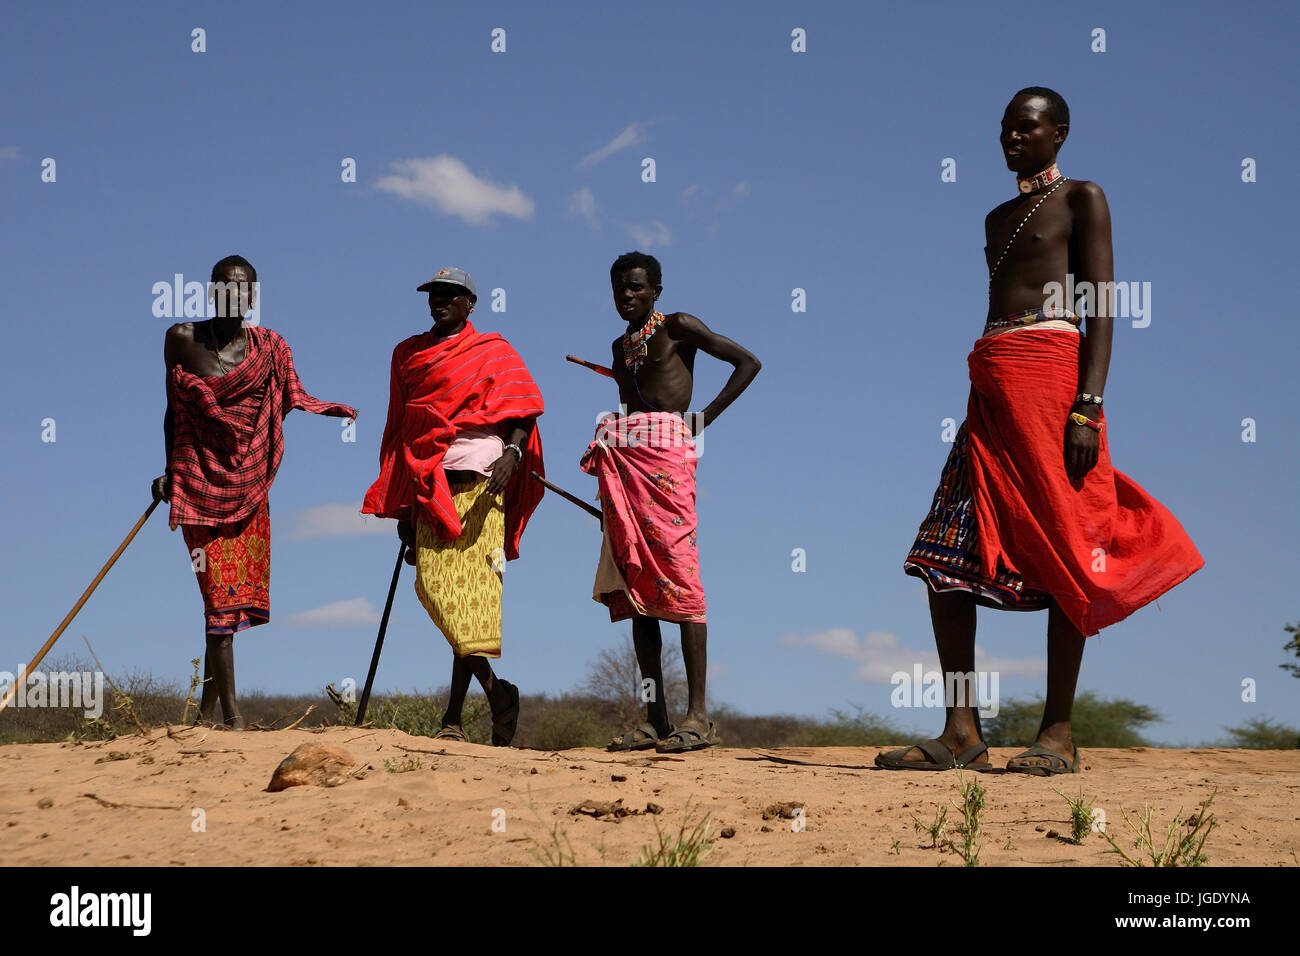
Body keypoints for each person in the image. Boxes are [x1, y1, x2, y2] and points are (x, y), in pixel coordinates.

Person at [881, 88, 1204, 774]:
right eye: (1004, 129)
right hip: (992, 390)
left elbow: (1102, 306)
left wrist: (1089, 404)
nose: (1011, 138)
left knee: (1069, 544)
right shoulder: (998, 216)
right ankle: (961, 730)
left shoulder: (1082, 198)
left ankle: (1057, 730)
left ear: (1059, 132)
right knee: (943, 555)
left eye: (1026, 128)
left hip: (1056, 385)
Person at [153, 254, 357, 729]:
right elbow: (174, 412)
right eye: (227, 287)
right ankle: (234, 717)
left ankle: (204, 719)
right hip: (198, 485)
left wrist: (328, 410)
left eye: (245, 289)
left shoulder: (269, 348)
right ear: (211, 292)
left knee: (219, 606)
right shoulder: (181, 339)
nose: (236, 296)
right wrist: (167, 469)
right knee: (217, 598)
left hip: (249, 489)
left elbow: (291, 397)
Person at [581, 252, 760, 753]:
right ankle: (654, 719)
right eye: (619, 288)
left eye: (637, 287)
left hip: (668, 457)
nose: (627, 296)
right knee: (637, 583)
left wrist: (704, 418)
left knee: (680, 579)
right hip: (627, 459)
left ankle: (698, 717)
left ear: (656, 290)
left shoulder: (680, 325)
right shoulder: (619, 347)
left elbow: (749, 362)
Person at [363, 267, 544, 746]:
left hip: (484, 485)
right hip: (430, 484)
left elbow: (523, 409)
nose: (439, 301)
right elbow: (400, 429)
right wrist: (403, 508)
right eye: (433, 295)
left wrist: (514, 453)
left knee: (471, 600)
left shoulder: (494, 351)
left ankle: (452, 719)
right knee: (436, 591)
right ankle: (497, 691)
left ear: (470, 303)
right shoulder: (408, 354)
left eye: (450, 295)